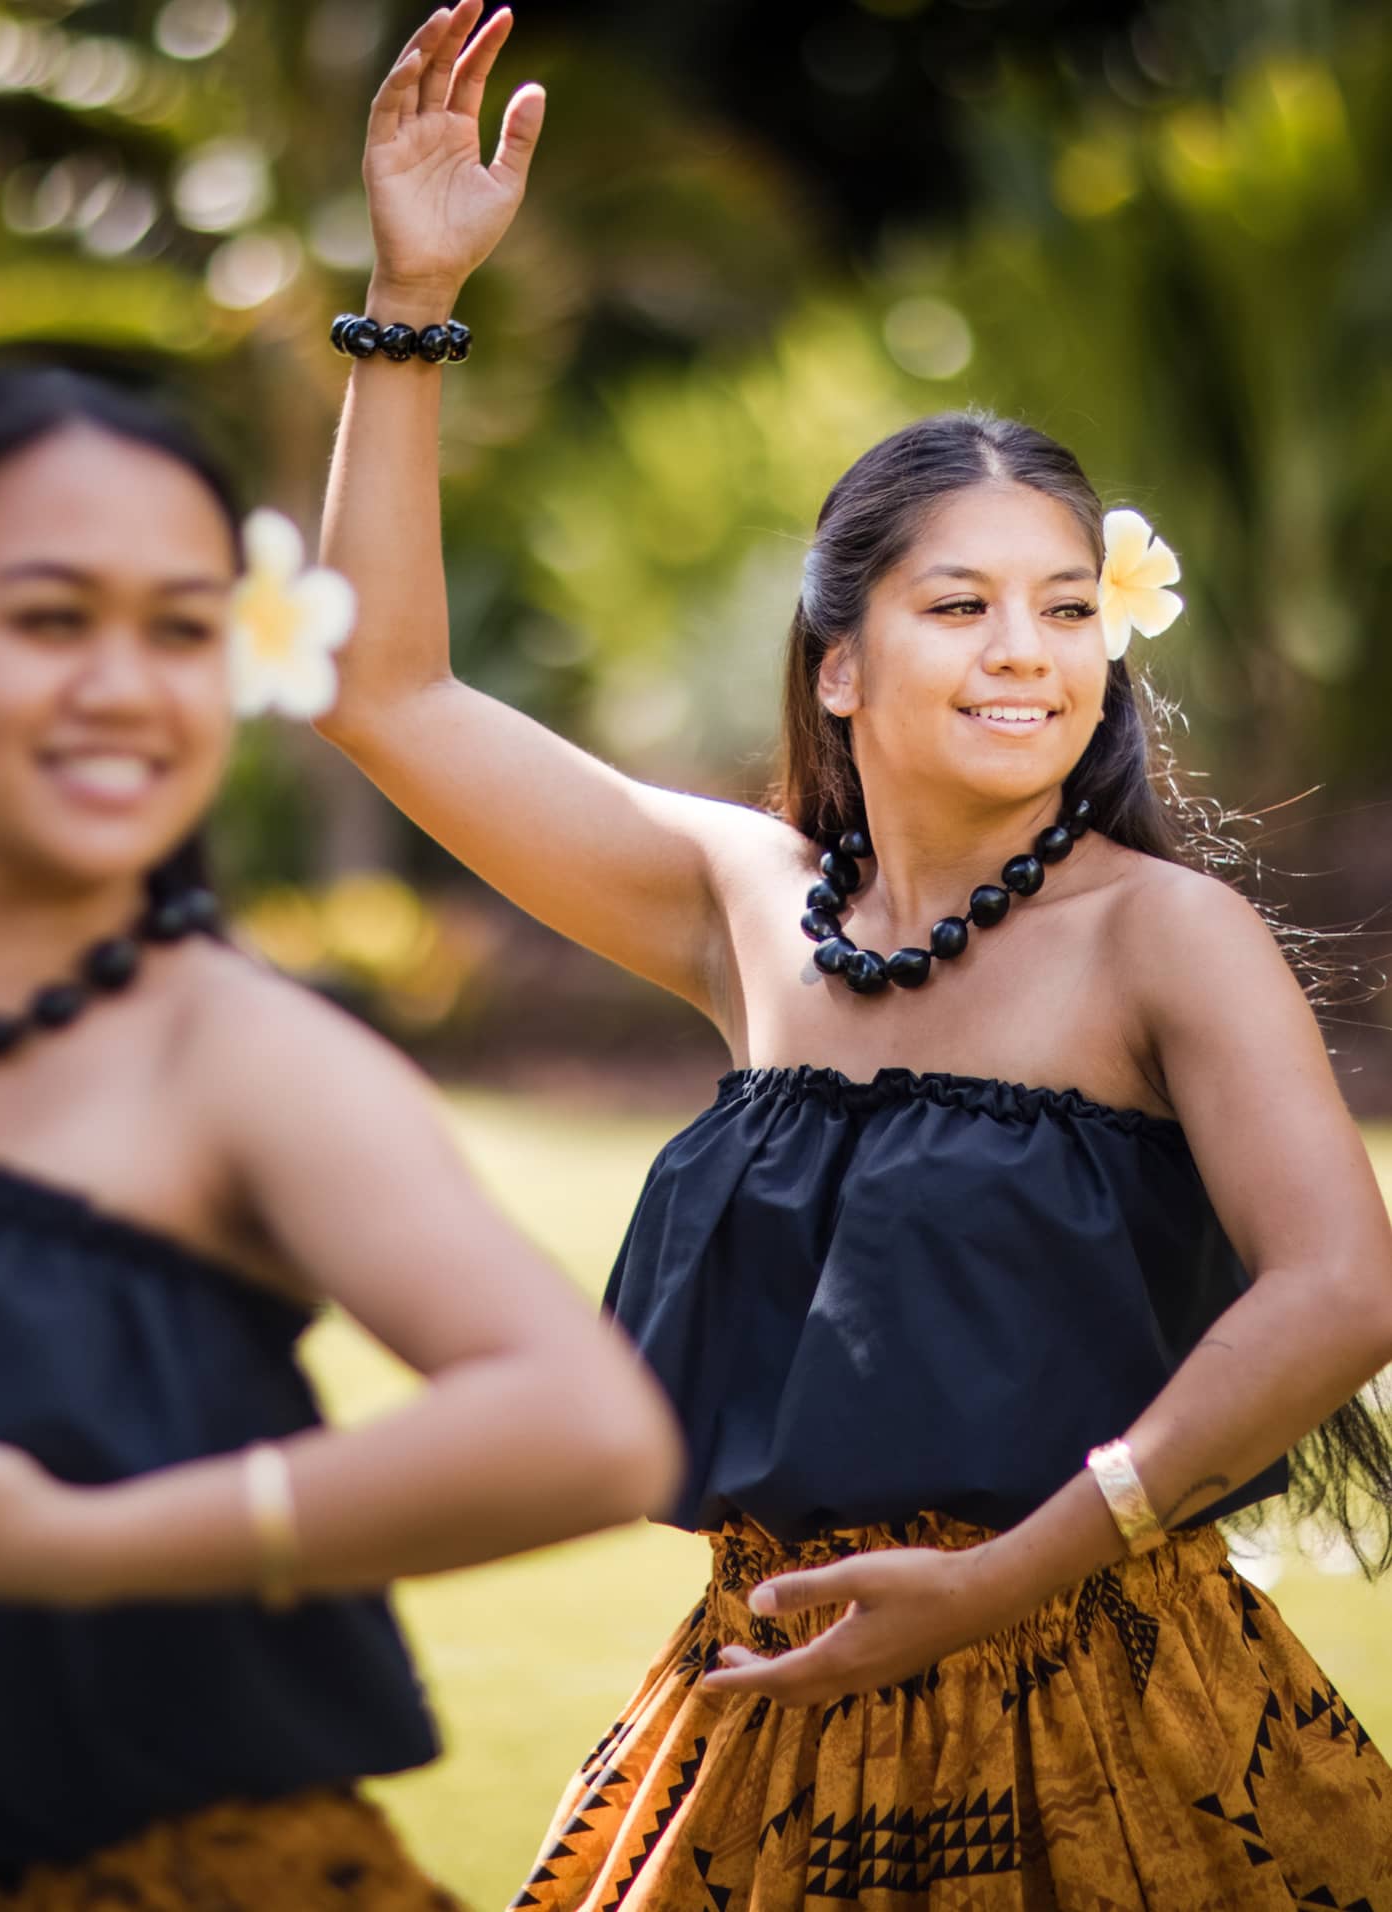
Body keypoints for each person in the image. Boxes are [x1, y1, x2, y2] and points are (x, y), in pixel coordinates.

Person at [317, 6, 1392, 1903]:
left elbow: (1337, 1288)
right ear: (838, 662)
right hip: (762, 1694)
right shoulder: (741, 908)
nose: (1026, 651)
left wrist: (1006, 1573)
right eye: (960, 604)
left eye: (1069, 610)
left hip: (1101, 1696)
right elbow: (381, 687)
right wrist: (410, 301)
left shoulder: (1166, 939)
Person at [0, 361, 682, 1911]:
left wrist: (79, 1548)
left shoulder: (239, 1057)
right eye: (51, 621)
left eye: (181, 630)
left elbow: (585, 1429)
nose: (126, 685)